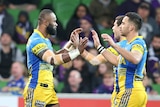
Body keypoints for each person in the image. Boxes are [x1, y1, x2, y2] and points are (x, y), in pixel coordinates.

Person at [23, 9, 88, 107]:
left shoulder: (45, 40)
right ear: (45, 22)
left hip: (48, 90)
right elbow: (53, 60)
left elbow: (56, 55)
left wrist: (70, 42)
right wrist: (77, 51)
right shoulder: (36, 41)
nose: (56, 24)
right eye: (54, 21)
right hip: (38, 89)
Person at [94, 12, 147, 107]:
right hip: (132, 91)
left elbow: (135, 59)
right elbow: (115, 61)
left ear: (131, 28)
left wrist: (114, 45)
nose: (120, 26)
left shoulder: (138, 43)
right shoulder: (127, 46)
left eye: (123, 23)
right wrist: (99, 47)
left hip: (130, 91)